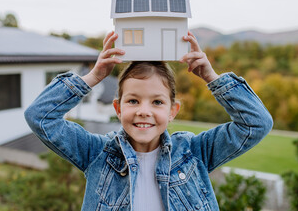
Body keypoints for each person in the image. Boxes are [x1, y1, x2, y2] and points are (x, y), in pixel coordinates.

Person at [24, 31, 273, 211]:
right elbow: (40, 116)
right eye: (133, 101)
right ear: (118, 108)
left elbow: (256, 123)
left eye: (157, 102)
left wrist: (211, 76)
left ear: (173, 110)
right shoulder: (96, 154)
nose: (144, 111)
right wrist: (93, 76)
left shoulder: (195, 153)